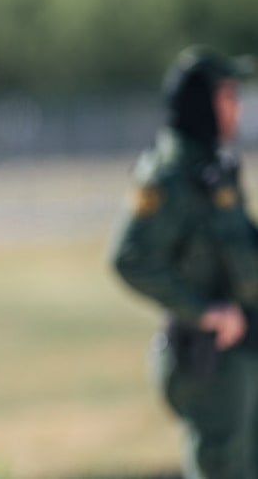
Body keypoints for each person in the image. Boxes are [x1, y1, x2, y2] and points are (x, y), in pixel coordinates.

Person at [110, 45, 258, 479]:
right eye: (227, 96)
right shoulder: (168, 176)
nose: (237, 108)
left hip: (244, 348)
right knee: (223, 467)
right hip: (208, 357)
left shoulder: (214, 168)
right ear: (201, 103)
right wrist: (206, 313)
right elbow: (128, 257)